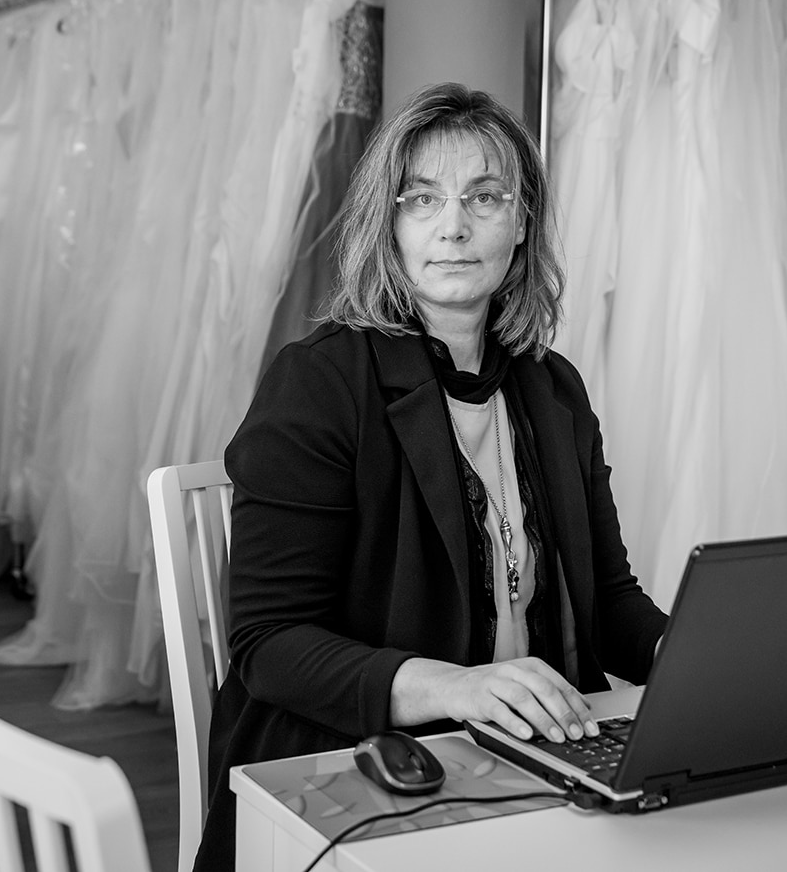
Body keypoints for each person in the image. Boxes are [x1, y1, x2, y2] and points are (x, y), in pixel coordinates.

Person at [193, 82, 669, 870]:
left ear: (522, 222)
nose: (454, 225)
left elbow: (610, 602)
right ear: (390, 225)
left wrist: (704, 662)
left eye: (485, 197)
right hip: (351, 766)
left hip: (531, 756)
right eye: (421, 199)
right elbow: (269, 642)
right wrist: (456, 687)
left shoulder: (553, 388)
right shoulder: (318, 383)